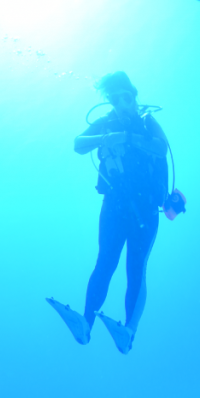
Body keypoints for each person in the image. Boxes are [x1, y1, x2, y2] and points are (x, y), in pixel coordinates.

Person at [48, 71, 169, 355]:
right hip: (115, 205)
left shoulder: (147, 122)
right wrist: (106, 136)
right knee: (105, 261)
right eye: (115, 100)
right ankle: (86, 323)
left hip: (146, 208)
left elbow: (161, 148)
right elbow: (78, 144)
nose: (121, 105)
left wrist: (126, 137)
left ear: (134, 96)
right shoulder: (105, 123)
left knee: (136, 267)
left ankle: (129, 332)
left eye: (125, 98)